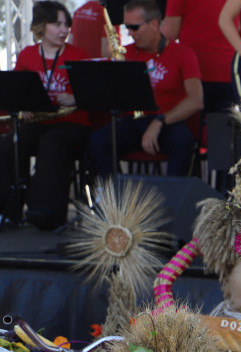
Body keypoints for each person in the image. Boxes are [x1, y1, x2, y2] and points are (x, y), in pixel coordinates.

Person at [0, 1, 92, 231]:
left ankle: (46, 211)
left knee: (51, 142)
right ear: (41, 27)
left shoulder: (79, 55)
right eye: (56, 24)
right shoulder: (27, 55)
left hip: (73, 123)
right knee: (10, 144)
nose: (64, 30)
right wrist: (23, 106)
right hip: (40, 121)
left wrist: (75, 97)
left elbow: (94, 93)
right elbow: (15, 91)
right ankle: (9, 211)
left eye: (66, 24)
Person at [88, 0, 203, 178]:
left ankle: (172, 200)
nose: (131, 33)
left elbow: (196, 101)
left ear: (154, 24)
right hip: (135, 120)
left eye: (135, 27)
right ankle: (119, 198)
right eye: (127, 28)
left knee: (183, 140)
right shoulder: (125, 54)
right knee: (98, 140)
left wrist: (159, 121)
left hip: (168, 121)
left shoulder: (183, 53)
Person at [162, 0, 236, 113]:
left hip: (193, 74)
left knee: (192, 127)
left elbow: (170, 32)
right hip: (229, 69)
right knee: (223, 126)